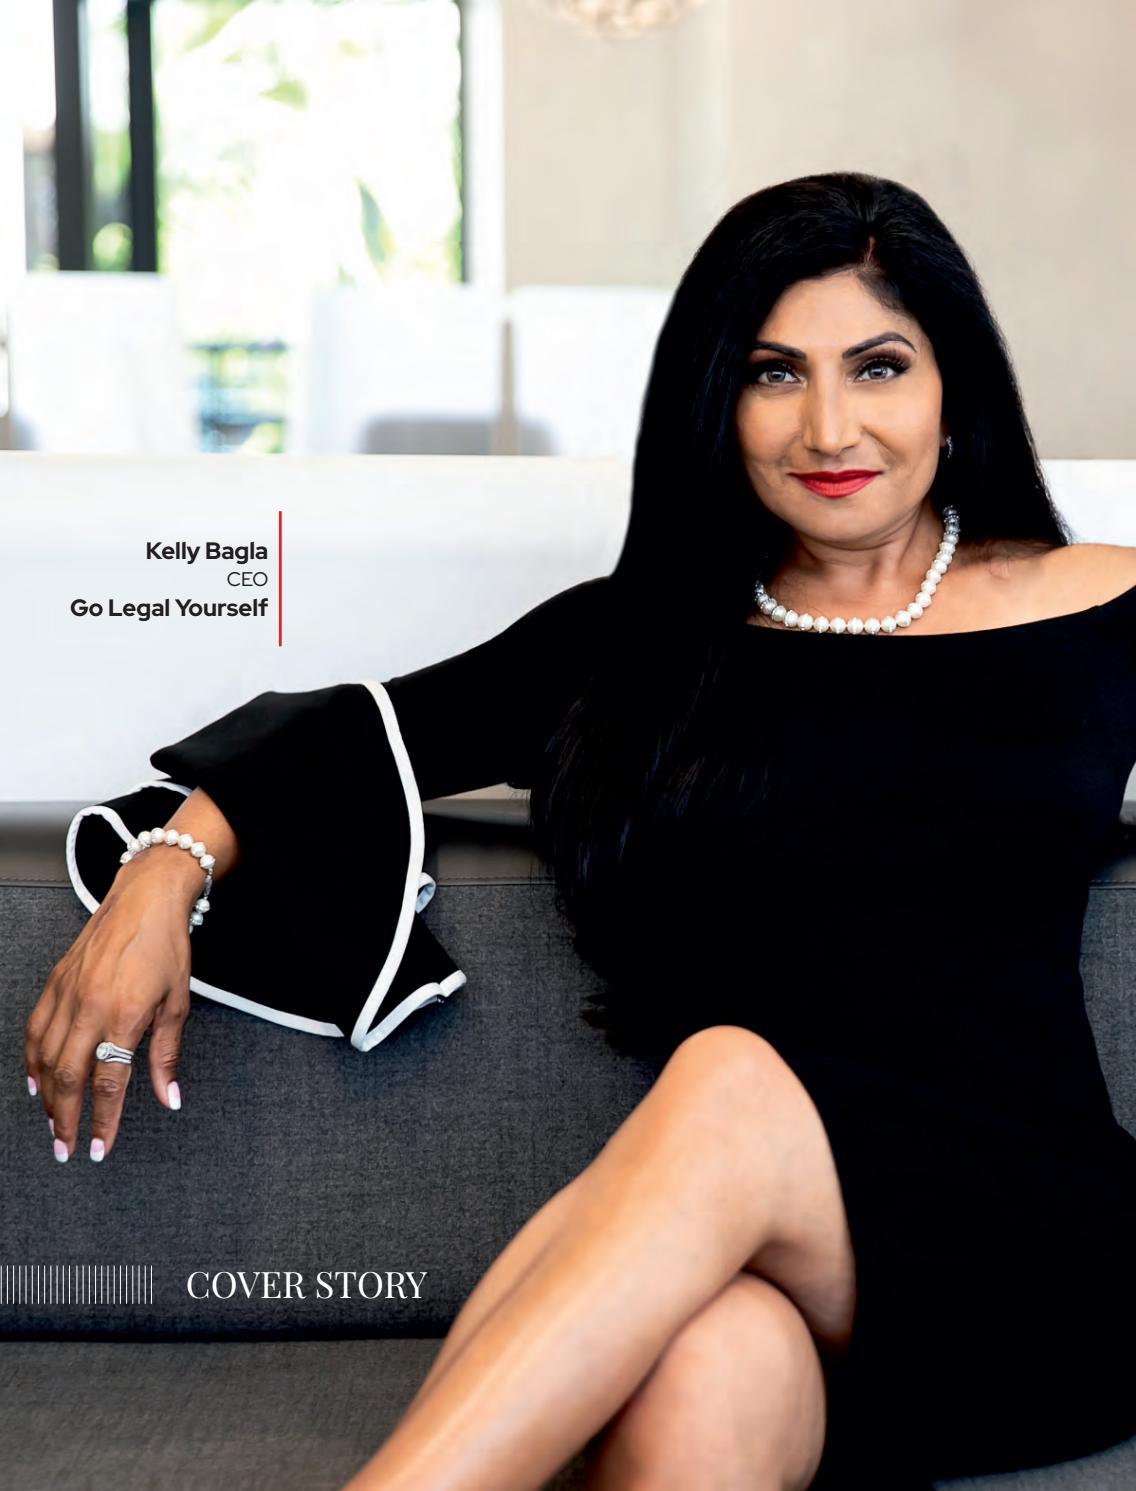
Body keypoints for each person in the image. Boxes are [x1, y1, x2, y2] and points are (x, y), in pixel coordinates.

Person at [26, 172, 1136, 1491]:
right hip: (762, 1274)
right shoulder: (635, 646)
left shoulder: (1099, 609)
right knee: (712, 1360)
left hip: (1033, 1244)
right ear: (715, 401)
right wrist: (162, 873)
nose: (830, 426)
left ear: (954, 387)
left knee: (728, 1077)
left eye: (879, 366)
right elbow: (355, 737)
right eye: (775, 373)